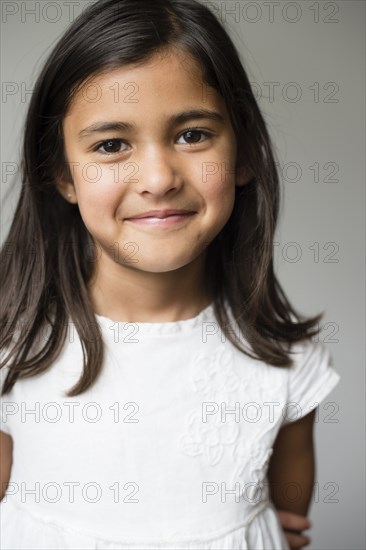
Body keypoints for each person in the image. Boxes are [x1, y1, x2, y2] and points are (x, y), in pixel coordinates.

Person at [0, 0, 340, 548]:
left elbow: (285, 521)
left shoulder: (289, 364)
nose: (158, 178)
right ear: (63, 175)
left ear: (245, 150)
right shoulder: (13, 344)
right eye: (111, 146)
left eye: (192, 135)